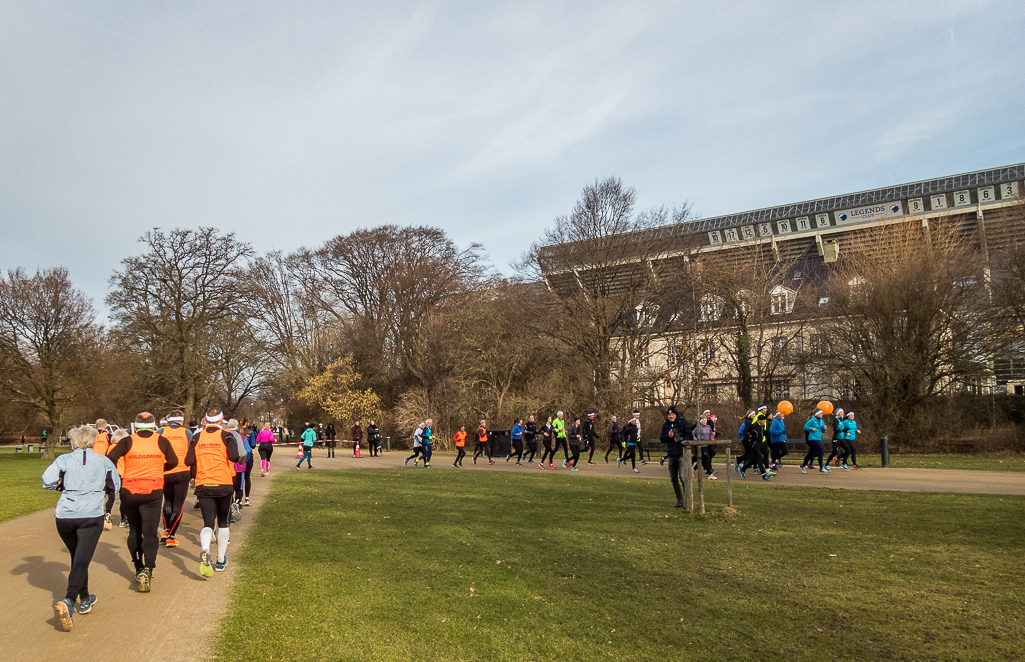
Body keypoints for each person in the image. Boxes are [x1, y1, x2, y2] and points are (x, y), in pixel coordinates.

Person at [43, 425, 120, 632]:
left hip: (65, 515)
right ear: (94, 441)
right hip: (91, 515)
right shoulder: (104, 461)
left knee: (78, 557)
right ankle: (69, 600)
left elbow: (47, 480)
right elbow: (116, 486)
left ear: (73, 441)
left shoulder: (64, 460)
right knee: (82, 559)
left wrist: (60, 485)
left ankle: (85, 599)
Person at [106, 412, 179, 592]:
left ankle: (138, 565)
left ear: (136, 426)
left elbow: (110, 458)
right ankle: (149, 568)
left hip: (129, 489)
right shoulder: (161, 440)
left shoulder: (127, 441)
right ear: (153, 425)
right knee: (150, 531)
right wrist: (158, 468)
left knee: (135, 530)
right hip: (153, 489)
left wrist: (121, 472)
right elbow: (174, 461)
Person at [186, 408, 240, 577]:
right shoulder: (227, 435)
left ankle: (205, 550)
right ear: (221, 420)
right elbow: (234, 457)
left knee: (208, 523)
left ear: (205, 419)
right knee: (223, 522)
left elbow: (188, 460)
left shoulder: (196, 436)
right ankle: (221, 560)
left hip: (204, 484)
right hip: (223, 483)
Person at [159, 411, 192, 548]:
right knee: (178, 504)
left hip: (165, 471)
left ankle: (166, 531)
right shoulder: (187, 433)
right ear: (182, 422)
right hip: (182, 471)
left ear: (168, 421)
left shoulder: (160, 432)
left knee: (168, 501)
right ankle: (171, 536)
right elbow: (191, 452)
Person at [660, 406, 694, 507]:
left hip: (682, 453)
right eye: (669, 415)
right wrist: (668, 436)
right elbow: (662, 438)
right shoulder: (666, 425)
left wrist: (681, 439)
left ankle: (688, 500)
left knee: (683, 477)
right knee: (673, 479)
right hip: (671, 454)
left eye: (673, 415)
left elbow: (690, 437)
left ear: (676, 415)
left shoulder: (682, 423)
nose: (671, 416)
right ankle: (680, 501)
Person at [92, 419, 116, 530]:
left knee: (98, 490)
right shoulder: (108, 436)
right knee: (110, 491)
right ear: (105, 426)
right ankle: (108, 513)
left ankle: (97, 513)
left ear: (96, 427)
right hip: (105, 465)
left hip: (93, 466)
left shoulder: (92, 436)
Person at [740, 411, 771, 481]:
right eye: (763, 421)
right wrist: (749, 436)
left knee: (753, 460)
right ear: (759, 420)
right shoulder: (753, 426)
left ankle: (743, 469)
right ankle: (764, 475)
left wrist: (767, 433)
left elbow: (762, 433)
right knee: (760, 459)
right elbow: (745, 431)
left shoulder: (761, 426)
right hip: (754, 445)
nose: (764, 422)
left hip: (760, 444)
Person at [800, 409, 830, 474]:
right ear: (817, 414)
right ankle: (821, 468)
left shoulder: (821, 421)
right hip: (812, 438)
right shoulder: (812, 420)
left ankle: (803, 465)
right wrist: (811, 429)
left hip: (818, 438)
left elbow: (822, 431)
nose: (822, 414)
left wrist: (824, 429)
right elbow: (805, 427)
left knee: (811, 453)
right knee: (821, 452)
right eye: (821, 413)